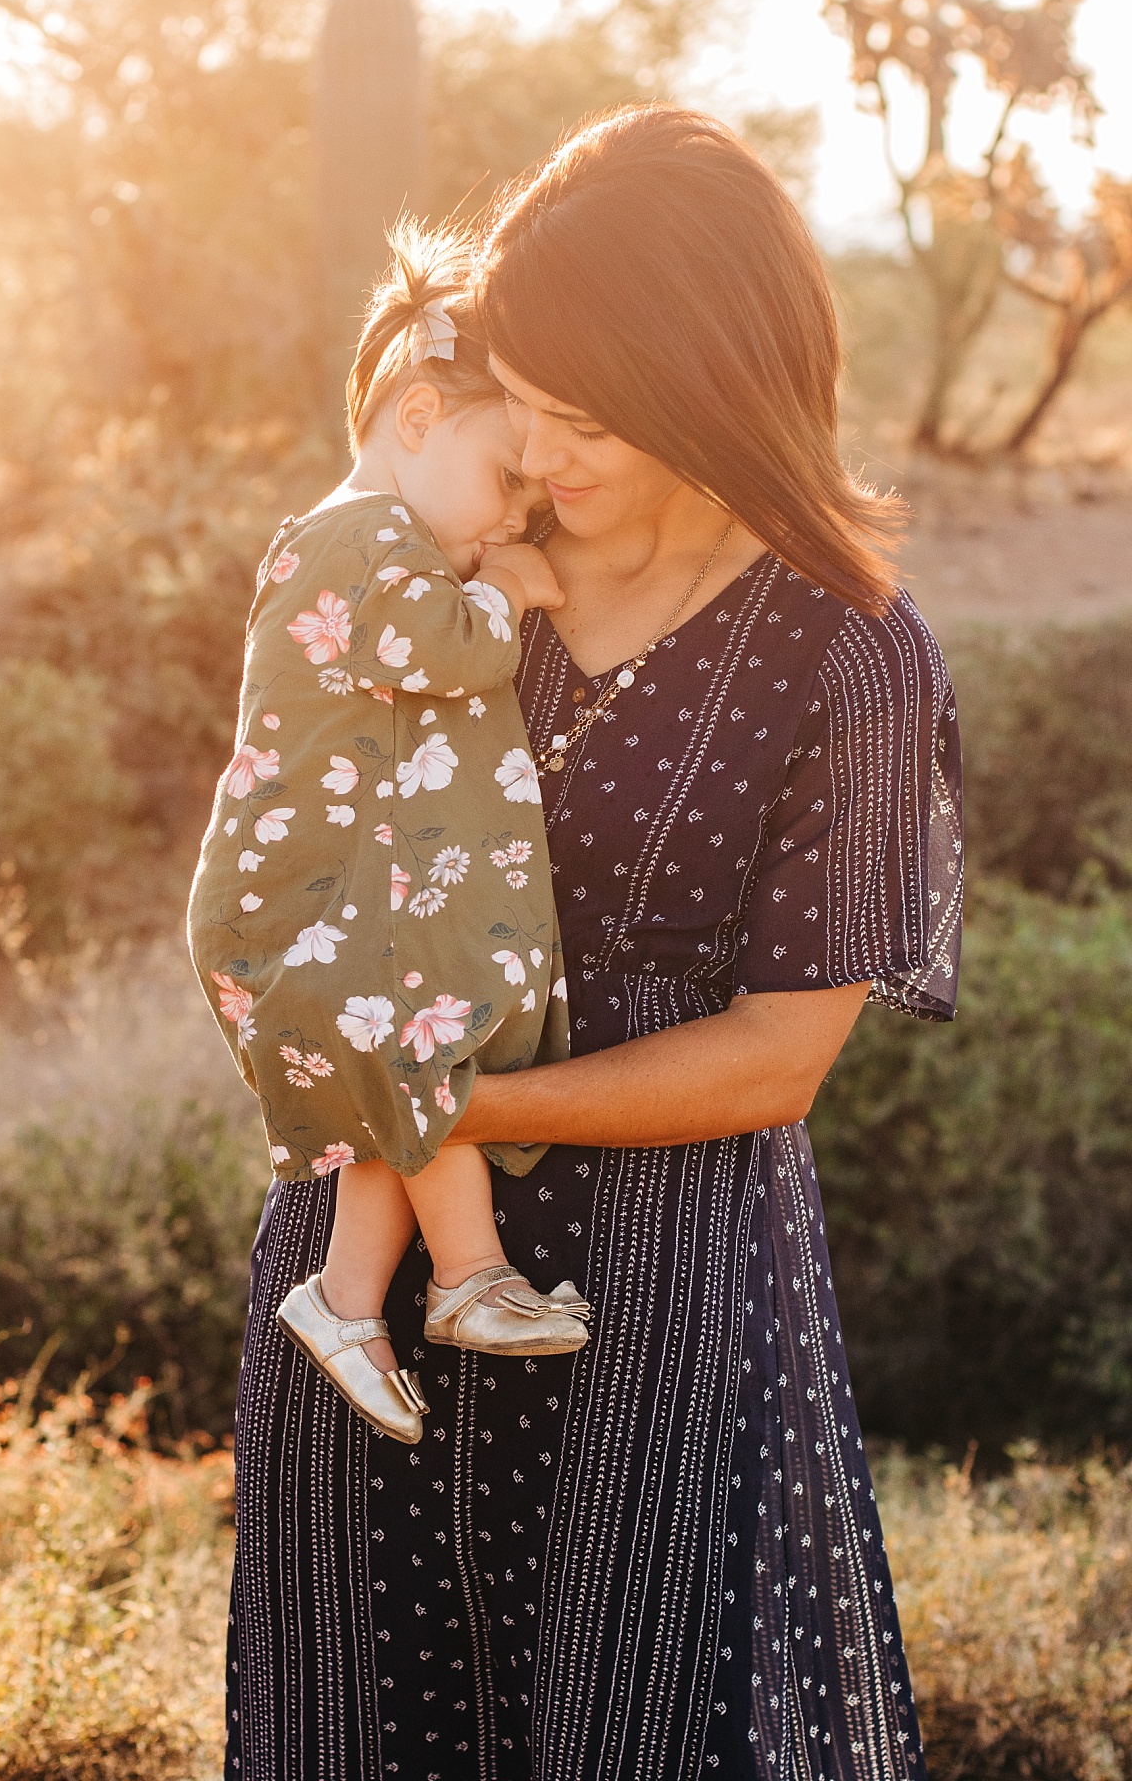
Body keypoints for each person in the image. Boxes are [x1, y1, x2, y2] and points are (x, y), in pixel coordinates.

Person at [224, 105, 962, 1781]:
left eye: (591, 418)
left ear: (713, 389)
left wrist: (443, 1109)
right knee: (361, 1724)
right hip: (370, 1292)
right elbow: (293, 815)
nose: (547, 453)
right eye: (529, 401)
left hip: (663, 1304)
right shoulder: (449, 559)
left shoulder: (848, 655)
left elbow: (783, 1058)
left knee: (655, 1723)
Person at [188, 224, 590, 1450]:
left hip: (341, 894)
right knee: (418, 1051)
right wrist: (507, 590)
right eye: (506, 477)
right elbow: (434, 647)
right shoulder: (361, 537)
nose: (517, 513)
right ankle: (466, 1275)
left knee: (398, 1080)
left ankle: (352, 1296)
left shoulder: (390, 541)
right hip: (308, 900)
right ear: (418, 415)